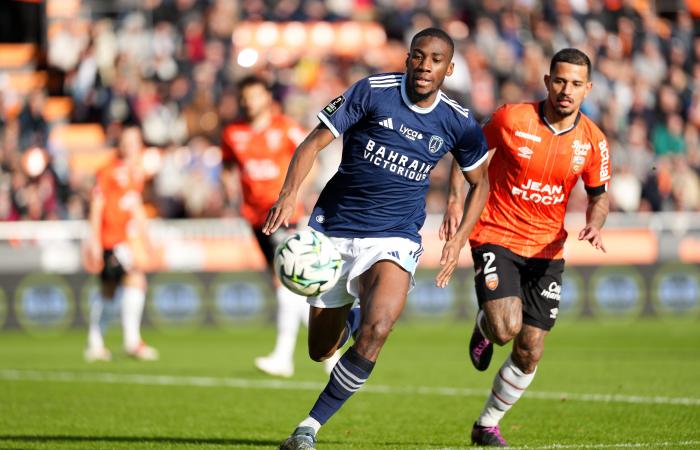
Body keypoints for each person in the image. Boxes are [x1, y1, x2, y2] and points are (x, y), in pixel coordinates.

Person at [264, 28, 490, 450]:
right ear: (407, 59)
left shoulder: (459, 122)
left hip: (394, 237)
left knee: (380, 326)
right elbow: (312, 144)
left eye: (436, 59)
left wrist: (459, 237)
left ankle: (308, 428)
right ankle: (349, 317)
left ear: (450, 68)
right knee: (320, 349)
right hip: (332, 232)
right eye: (418, 56)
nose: (425, 66)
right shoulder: (372, 91)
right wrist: (289, 194)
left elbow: (482, 183)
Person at [440, 48, 611, 447]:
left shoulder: (594, 142)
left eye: (575, 84)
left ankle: (486, 426)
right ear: (548, 81)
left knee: (530, 348)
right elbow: (467, 150)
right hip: (495, 233)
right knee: (505, 329)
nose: (566, 90)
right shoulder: (511, 118)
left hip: (547, 251)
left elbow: (599, 195)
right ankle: (485, 326)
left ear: (588, 89)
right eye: (560, 81)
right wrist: (452, 199)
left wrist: (594, 222)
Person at [220, 75, 339, 378]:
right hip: (255, 218)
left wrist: (297, 195)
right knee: (290, 284)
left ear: (266, 98)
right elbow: (228, 168)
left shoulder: (285, 127)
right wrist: (232, 196)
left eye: (255, 95)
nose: (250, 101)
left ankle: (284, 356)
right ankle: (329, 352)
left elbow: (310, 155)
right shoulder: (233, 133)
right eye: (245, 96)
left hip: (285, 215)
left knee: (289, 277)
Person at [84, 125, 159, 362]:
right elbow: (97, 204)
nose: (130, 146)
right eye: (126, 141)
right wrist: (94, 239)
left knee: (112, 290)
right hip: (109, 239)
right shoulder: (108, 170)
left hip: (123, 240)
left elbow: (134, 205)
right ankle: (128, 342)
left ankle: (100, 343)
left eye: (134, 142)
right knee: (133, 281)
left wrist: (145, 235)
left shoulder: (136, 172)